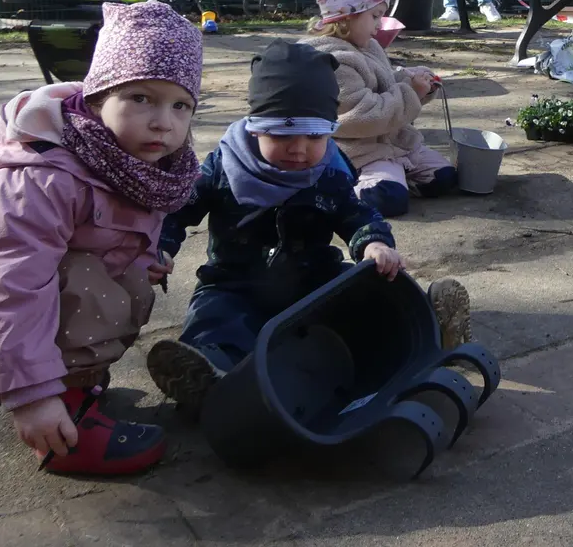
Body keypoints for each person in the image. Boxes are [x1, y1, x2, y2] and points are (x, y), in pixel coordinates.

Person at [0, 1, 205, 475]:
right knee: (85, 282)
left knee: (130, 280)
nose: (164, 121)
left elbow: (112, 232)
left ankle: (76, 388)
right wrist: (30, 393)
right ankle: (63, 429)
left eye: (180, 105)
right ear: (98, 99)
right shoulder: (44, 173)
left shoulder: (135, 161)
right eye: (141, 98)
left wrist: (141, 258)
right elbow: (15, 277)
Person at [145, 39, 473, 412]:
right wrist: (160, 247)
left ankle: (428, 332)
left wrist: (373, 244)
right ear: (255, 129)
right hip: (236, 282)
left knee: (368, 297)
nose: (299, 149)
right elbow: (177, 210)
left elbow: (355, 213)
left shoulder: (329, 170)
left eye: (315, 136)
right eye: (283, 135)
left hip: (313, 280)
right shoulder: (224, 166)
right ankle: (212, 373)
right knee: (216, 320)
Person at [305, 0, 458, 217]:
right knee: (388, 199)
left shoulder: (367, 45)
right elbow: (362, 116)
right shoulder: (334, 61)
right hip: (360, 151)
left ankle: (401, 172)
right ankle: (340, 189)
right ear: (347, 15)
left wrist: (413, 79)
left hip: (396, 142)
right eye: (374, 16)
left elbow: (384, 82)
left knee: (444, 178)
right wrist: (412, 93)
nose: (380, 24)